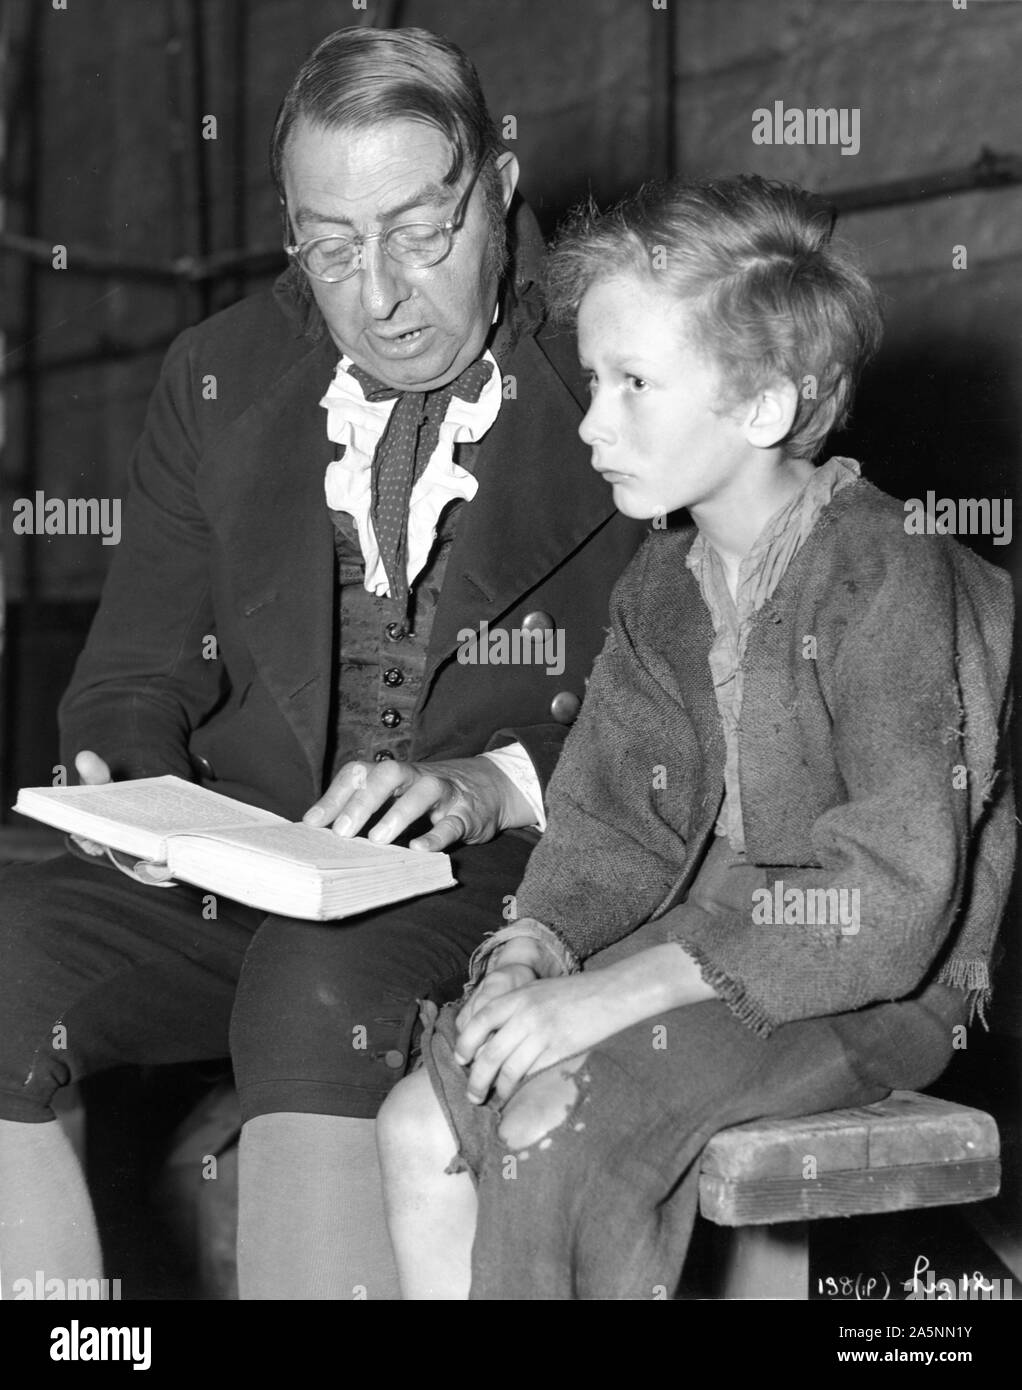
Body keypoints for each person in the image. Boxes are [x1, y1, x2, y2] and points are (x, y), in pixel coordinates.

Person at [0, 27, 642, 1300]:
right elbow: (133, 672)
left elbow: (710, 688)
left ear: (499, 191)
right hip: (253, 866)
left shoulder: (624, 353)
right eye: (332, 244)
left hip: (525, 870)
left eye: (420, 231)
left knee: (314, 987)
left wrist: (495, 781)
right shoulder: (222, 375)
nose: (382, 293)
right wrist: (135, 795)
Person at [377, 174, 1016, 1300]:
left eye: (633, 383)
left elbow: (887, 896)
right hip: (699, 941)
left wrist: (606, 998)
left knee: (548, 1126)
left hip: (871, 983)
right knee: (417, 1114)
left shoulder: (886, 574)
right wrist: (537, 947)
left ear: (764, 407)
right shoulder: (659, 587)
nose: (590, 421)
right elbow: (609, 826)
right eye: (590, 378)